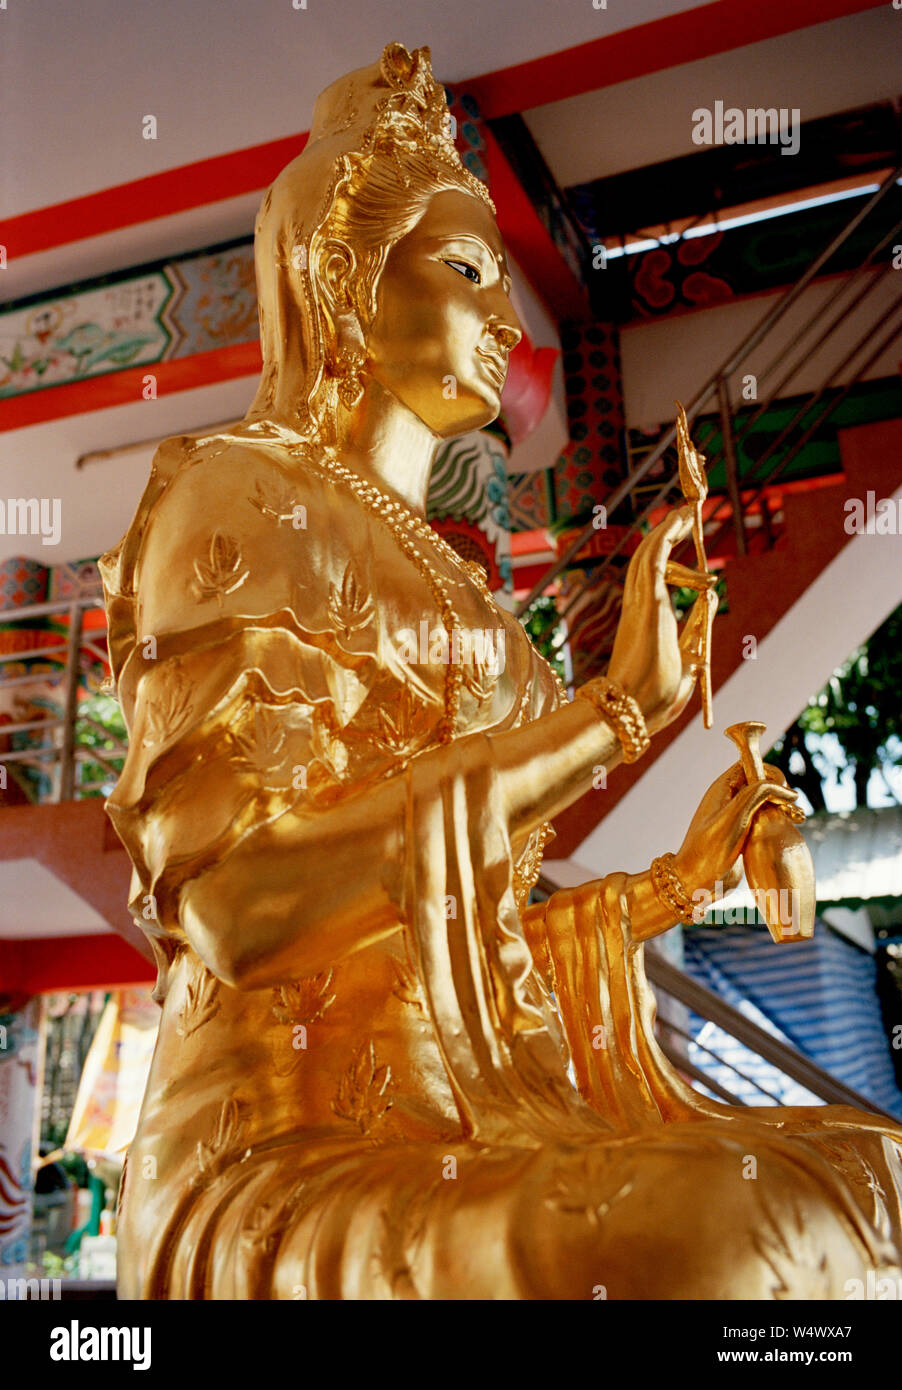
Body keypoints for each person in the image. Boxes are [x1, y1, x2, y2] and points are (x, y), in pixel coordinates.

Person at [101, 43, 902, 1299]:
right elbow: (238, 907)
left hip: (462, 1121)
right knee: (717, 1236)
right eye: (465, 269)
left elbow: (482, 934)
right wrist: (608, 719)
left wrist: (676, 880)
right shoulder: (237, 493)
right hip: (274, 1148)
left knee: (875, 1172)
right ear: (341, 279)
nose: (504, 317)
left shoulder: (479, 597)